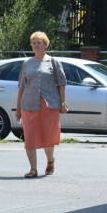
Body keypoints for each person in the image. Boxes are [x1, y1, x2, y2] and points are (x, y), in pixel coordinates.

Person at [15, 31, 68, 178]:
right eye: (34, 43)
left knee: (47, 138)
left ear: (45, 44)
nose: (36, 45)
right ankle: (33, 169)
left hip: (49, 105)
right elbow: (21, 87)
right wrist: (18, 109)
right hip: (29, 104)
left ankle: (50, 161)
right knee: (30, 138)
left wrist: (63, 103)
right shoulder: (27, 64)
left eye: (39, 42)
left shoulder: (53, 62)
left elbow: (62, 85)